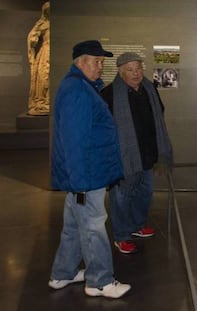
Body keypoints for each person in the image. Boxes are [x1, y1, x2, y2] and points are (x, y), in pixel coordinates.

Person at [48, 40, 131, 298]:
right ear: (81, 62)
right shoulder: (77, 91)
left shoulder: (80, 86)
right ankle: (99, 281)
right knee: (94, 226)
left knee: (74, 226)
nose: (100, 67)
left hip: (84, 175)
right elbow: (74, 141)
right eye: (96, 62)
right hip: (87, 176)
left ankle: (63, 273)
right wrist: (81, 181)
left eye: (102, 62)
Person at [101, 52, 173, 254]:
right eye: (130, 70)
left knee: (145, 193)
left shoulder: (150, 89)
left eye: (138, 68)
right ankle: (122, 235)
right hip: (124, 159)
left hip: (148, 155)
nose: (136, 73)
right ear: (120, 72)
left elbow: (160, 113)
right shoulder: (109, 95)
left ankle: (137, 226)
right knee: (122, 197)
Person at [27, 1, 50, 115]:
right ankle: (42, 100)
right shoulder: (42, 24)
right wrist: (33, 39)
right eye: (47, 11)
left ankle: (49, 100)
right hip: (45, 52)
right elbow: (32, 36)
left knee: (50, 76)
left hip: (53, 51)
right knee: (43, 76)